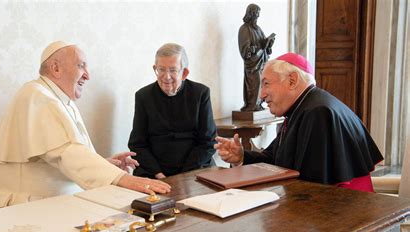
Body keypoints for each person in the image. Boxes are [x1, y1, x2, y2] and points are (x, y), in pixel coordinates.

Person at [0, 41, 170, 211]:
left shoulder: (61, 100)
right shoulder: (36, 95)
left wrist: (105, 164)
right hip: (21, 208)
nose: (87, 75)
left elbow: (62, 154)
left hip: (52, 202)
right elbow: (66, 153)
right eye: (81, 66)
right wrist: (125, 179)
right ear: (56, 68)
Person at [215, 52, 383, 192]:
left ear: (292, 81)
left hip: (341, 216)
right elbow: (274, 158)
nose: (261, 95)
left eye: (266, 84)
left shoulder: (317, 113)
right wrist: (241, 156)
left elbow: (312, 186)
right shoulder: (302, 108)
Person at [128, 43, 217, 179]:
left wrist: (183, 177)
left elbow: (208, 141)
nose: (166, 76)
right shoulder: (143, 96)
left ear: (184, 73)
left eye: (173, 70)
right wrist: (158, 174)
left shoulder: (200, 93)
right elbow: (137, 144)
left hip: (194, 169)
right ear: (155, 69)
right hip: (154, 172)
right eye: (161, 69)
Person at [239, 3, 275, 112]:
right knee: (255, 83)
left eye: (258, 15)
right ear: (250, 14)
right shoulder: (244, 29)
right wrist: (260, 47)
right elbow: (245, 51)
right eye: (256, 15)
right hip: (252, 64)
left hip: (261, 63)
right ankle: (252, 105)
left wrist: (269, 44)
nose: (257, 18)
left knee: (262, 84)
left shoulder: (258, 29)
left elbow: (264, 45)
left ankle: (258, 104)